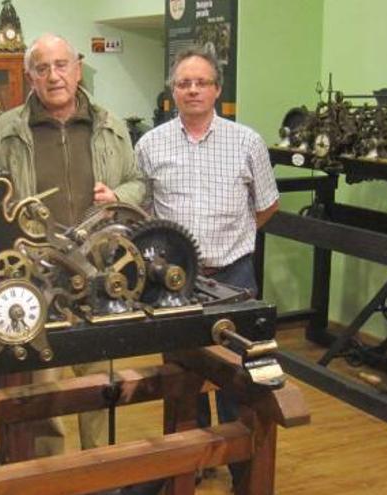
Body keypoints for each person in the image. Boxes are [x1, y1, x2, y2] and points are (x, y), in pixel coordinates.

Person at [0, 33, 146, 457]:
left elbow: (137, 182)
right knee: (44, 386)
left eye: (61, 65)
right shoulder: (6, 131)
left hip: (99, 270)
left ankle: (101, 467)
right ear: (29, 76)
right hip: (36, 273)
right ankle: (50, 473)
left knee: (102, 380)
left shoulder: (110, 125)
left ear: (78, 67)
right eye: (42, 68)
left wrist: (120, 198)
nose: (54, 76)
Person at [135, 47, 279, 490]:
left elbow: (267, 206)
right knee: (184, 379)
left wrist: (231, 241)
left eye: (201, 82)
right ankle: (190, 466)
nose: (192, 89)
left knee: (240, 380)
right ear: (172, 92)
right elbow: (142, 213)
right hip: (175, 283)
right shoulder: (149, 144)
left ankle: (243, 469)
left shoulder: (247, 141)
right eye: (183, 83)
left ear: (217, 89)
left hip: (235, 278)